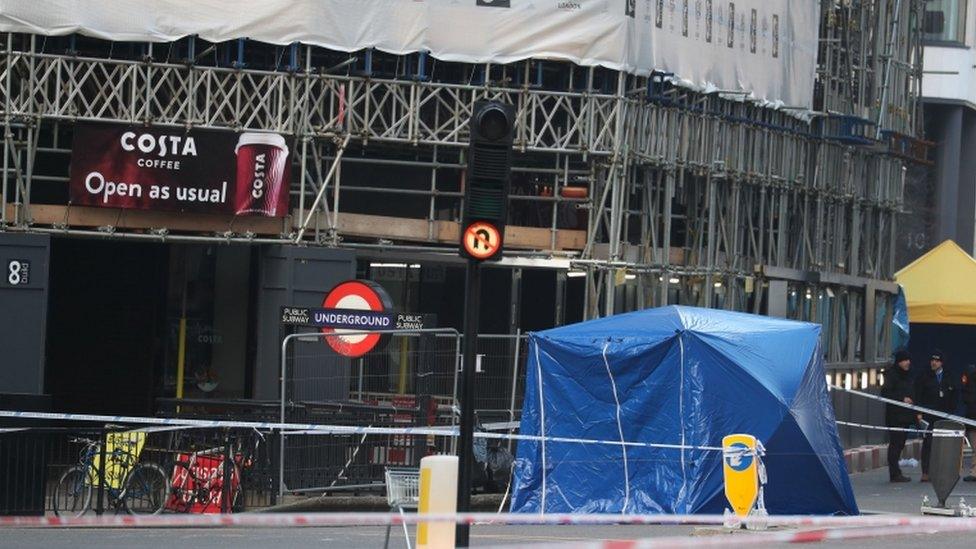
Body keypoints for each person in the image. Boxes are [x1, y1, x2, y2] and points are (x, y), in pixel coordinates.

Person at [915, 349, 958, 482]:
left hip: (944, 415)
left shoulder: (948, 376)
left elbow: (954, 395)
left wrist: (951, 412)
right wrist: (919, 413)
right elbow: (918, 394)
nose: (934, 363)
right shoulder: (924, 376)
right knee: (928, 444)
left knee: (943, 445)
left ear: (942, 363)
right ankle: (926, 472)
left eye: (937, 361)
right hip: (929, 415)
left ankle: (941, 472)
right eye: (932, 360)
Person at [881, 350, 915, 482]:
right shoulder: (892, 376)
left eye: (908, 360)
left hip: (905, 416)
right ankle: (894, 473)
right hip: (895, 416)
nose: (908, 363)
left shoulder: (908, 375)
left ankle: (896, 472)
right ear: (899, 361)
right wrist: (902, 399)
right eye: (905, 360)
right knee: (895, 444)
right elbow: (886, 394)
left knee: (900, 443)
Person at [963, 364, 976, 482]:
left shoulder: (968, 389)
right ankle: (974, 471)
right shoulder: (969, 388)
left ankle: (974, 472)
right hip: (972, 420)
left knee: (975, 448)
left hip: (971, 420)